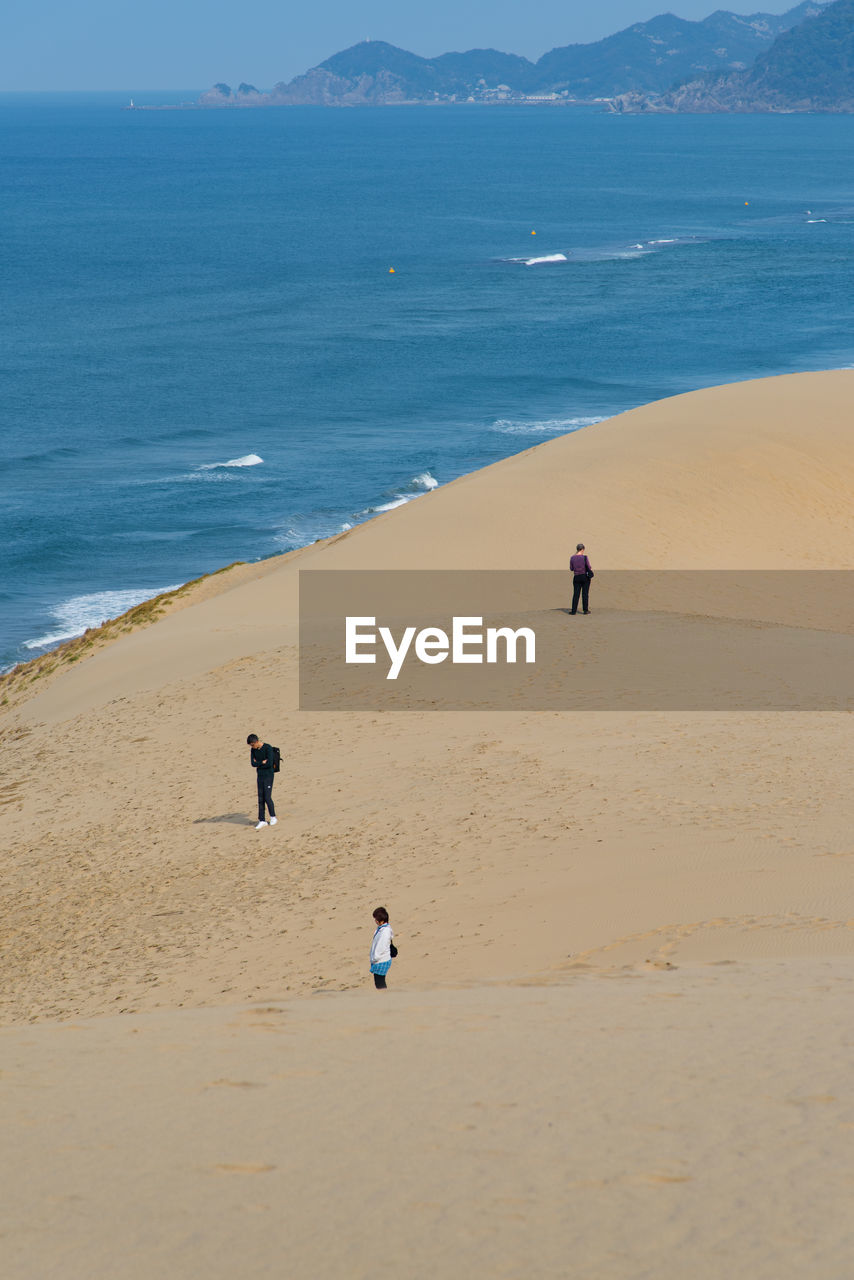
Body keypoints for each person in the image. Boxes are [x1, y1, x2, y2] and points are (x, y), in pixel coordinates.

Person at [247, 733, 277, 830]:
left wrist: (259, 763)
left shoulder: (268, 748)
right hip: (260, 775)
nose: (252, 747)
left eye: (252, 745)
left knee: (267, 797)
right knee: (260, 798)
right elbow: (252, 763)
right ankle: (262, 820)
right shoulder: (253, 750)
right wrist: (261, 762)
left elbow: (269, 763)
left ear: (256, 742)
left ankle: (273, 817)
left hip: (268, 775)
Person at [369, 906, 395, 990]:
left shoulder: (385, 931)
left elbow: (381, 946)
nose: (375, 921)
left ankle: (385, 999)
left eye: (376, 919)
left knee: (380, 983)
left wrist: (375, 958)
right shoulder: (381, 929)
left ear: (382, 921)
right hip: (379, 960)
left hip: (381, 960)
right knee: (379, 982)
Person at [569, 542, 593, 615]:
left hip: (576, 577)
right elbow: (589, 567)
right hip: (585, 577)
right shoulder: (585, 557)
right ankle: (585, 610)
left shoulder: (572, 558)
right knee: (585, 594)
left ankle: (573, 611)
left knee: (576, 594)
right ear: (582, 549)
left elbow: (571, 568)